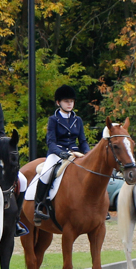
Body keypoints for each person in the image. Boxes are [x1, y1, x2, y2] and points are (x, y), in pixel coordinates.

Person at [25, 85, 90, 223]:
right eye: (66, 101)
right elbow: (51, 141)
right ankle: (38, 206)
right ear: (58, 103)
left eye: (71, 101)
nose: (69, 104)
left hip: (75, 153)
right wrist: (61, 153)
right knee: (46, 173)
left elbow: (83, 141)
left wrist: (88, 154)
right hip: (57, 153)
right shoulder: (53, 119)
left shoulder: (77, 120)